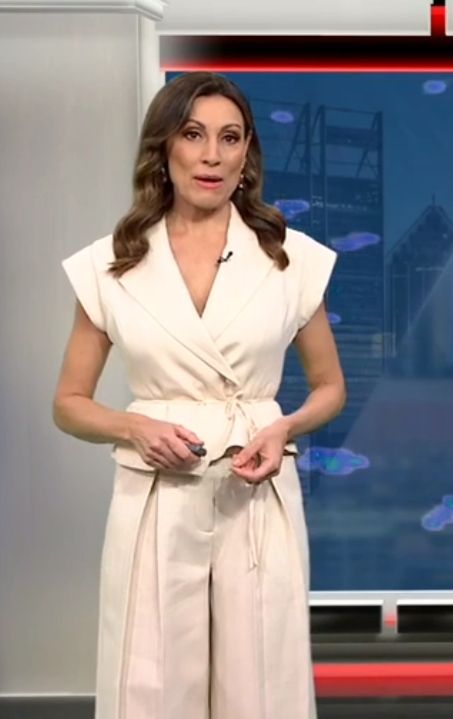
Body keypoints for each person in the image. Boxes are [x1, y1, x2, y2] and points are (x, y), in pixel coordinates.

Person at [52, 71, 346, 719]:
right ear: (164, 148)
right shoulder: (110, 264)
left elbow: (330, 387)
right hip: (156, 490)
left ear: (246, 156)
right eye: (193, 135)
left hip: (256, 487)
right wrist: (134, 427)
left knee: (260, 684)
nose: (211, 155)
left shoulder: (290, 259)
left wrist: (283, 428)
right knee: (152, 684)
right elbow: (69, 402)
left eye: (229, 137)